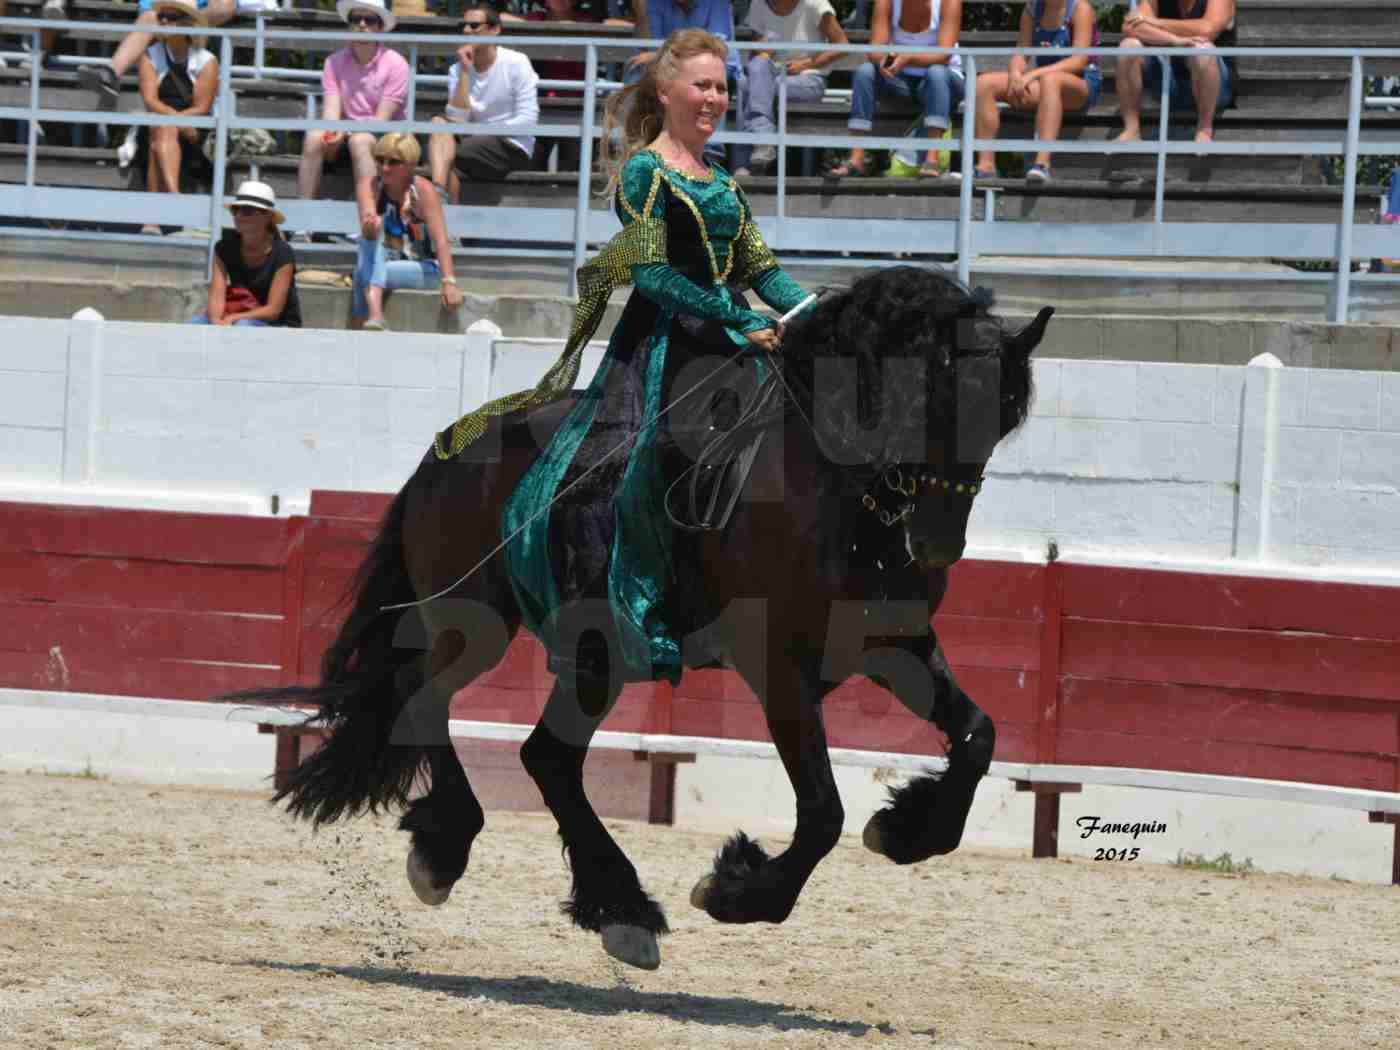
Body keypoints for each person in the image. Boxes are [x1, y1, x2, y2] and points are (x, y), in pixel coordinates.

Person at [437, 29, 809, 683]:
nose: (714, 98)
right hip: (663, 344)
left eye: (722, 87)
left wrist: (812, 313)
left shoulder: (723, 181)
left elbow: (761, 269)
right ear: (665, 91)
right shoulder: (645, 171)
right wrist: (738, 315)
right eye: (702, 84)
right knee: (635, 468)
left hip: (732, 340)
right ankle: (637, 618)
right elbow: (654, 276)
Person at [294, 0, 410, 241]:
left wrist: (343, 132)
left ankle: (366, 220)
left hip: (382, 138)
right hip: (347, 133)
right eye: (356, 19)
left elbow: (381, 121)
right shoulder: (333, 62)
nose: (362, 24)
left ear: (380, 27)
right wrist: (331, 132)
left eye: (369, 20)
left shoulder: (396, 63)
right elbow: (331, 111)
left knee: (360, 140)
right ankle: (303, 222)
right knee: (315, 136)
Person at [829, 0, 964, 179]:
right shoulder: (886, 2)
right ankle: (856, 158)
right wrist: (883, 60)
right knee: (865, 72)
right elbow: (875, 49)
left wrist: (908, 58)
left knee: (936, 74)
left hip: (944, 80)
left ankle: (932, 159)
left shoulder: (949, 2)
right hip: (901, 80)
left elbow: (944, 56)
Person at [971, 0, 1100, 182]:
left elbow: (1078, 60)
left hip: (1081, 84)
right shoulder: (1032, 9)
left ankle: (1042, 164)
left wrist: (1034, 74)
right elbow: (1021, 53)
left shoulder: (1080, 8)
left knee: (1051, 80)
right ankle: (985, 165)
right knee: (984, 83)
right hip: (1044, 82)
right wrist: (1015, 73)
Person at [427, 5, 540, 199]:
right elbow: (456, 119)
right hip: (473, 142)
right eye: (463, 25)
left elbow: (528, 119)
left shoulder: (516, 62)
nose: (466, 30)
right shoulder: (457, 69)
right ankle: (438, 191)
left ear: (495, 30)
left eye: (474, 25)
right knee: (438, 125)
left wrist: (484, 130)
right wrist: (464, 71)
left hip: (511, 144)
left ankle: (439, 203)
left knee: (448, 152)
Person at [352, 133, 463, 331]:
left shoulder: (423, 190)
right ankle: (375, 315)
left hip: (424, 267)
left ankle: (363, 323)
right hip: (383, 260)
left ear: (410, 164)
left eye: (393, 162)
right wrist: (371, 228)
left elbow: (441, 241)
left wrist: (449, 281)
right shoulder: (369, 185)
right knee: (369, 244)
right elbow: (369, 224)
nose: (384, 168)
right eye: (379, 160)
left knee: (363, 273)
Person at [735, 0, 849, 176]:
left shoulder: (815, 4)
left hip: (809, 79)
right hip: (772, 77)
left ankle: (748, 161)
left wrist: (806, 64)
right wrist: (764, 50)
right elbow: (755, 57)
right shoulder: (759, 4)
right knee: (747, 80)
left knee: (749, 86)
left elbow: (842, 45)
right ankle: (761, 144)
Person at [628, 0, 741, 164]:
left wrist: (664, 56)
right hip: (673, 69)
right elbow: (653, 45)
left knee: (710, 84)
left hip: (721, 67)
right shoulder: (654, 3)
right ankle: (633, 140)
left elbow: (715, 49)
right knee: (636, 70)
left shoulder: (718, 3)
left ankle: (711, 151)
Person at [1113, 0, 1237, 146]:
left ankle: (1204, 129)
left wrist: (1155, 22)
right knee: (1129, 46)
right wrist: (1175, 40)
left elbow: (1207, 29)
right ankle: (1131, 130)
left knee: (1202, 49)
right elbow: (1130, 26)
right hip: (1170, 82)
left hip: (1215, 86)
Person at [73, 0, 236, 111]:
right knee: (151, 17)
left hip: (196, 39)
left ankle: (110, 75)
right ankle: (110, 74)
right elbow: (151, 15)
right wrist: (171, 21)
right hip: (159, 41)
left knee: (223, 6)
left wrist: (185, 22)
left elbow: (225, 9)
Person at [133, 0, 218, 206]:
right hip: (163, 120)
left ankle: (152, 219)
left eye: (171, 18)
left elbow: (202, 108)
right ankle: (174, 198)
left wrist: (177, 121)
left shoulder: (206, 60)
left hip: (196, 126)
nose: (163, 22)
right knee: (162, 129)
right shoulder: (149, 55)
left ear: (187, 24)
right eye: (161, 17)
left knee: (160, 132)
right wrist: (176, 121)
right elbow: (150, 100)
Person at [193, 180, 302, 327]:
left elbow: (273, 311)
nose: (238, 216)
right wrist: (216, 321)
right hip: (239, 314)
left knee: (243, 325)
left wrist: (233, 318)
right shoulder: (223, 247)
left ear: (267, 216)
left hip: (279, 324)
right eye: (235, 210)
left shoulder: (283, 253)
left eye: (247, 211)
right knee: (195, 323)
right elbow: (216, 298)